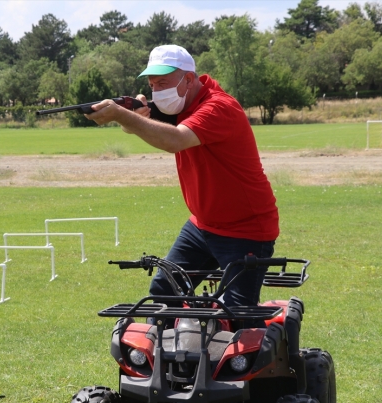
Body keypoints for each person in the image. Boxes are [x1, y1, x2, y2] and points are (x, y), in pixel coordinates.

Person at [85, 45, 279, 318]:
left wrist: (121, 113)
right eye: (152, 85)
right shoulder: (182, 104)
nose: (157, 90)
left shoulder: (218, 107)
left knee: (237, 314)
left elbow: (174, 140)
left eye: (163, 82)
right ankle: (179, 355)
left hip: (245, 228)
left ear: (188, 79)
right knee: (164, 292)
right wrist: (134, 114)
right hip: (202, 224)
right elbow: (135, 127)